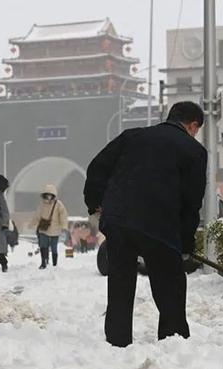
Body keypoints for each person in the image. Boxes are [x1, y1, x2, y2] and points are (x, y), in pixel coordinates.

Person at [84, 101, 207, 348]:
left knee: (120, 282)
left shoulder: (132, 136)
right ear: (193, 125)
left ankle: (117, 341)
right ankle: (173, 340)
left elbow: (97, 167)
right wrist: (185, 241)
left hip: (118, 220)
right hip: (159, 225)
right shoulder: (193, 151)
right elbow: (191, 202)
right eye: (196, 129)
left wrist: (95, 201)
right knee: (170, 283)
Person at [29, 184, 68, 269]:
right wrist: (31, 224)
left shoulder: (58, 204)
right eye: (47, 194)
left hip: (55, 229)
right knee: (43, 246)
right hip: (44, 229)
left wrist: (64, 226)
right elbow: (37, 216)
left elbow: (63, 215)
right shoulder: (42, 205)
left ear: (53, 195)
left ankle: (54, 264)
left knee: (54, 248)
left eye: (50, 195)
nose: (48, 196)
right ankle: (44, 262)